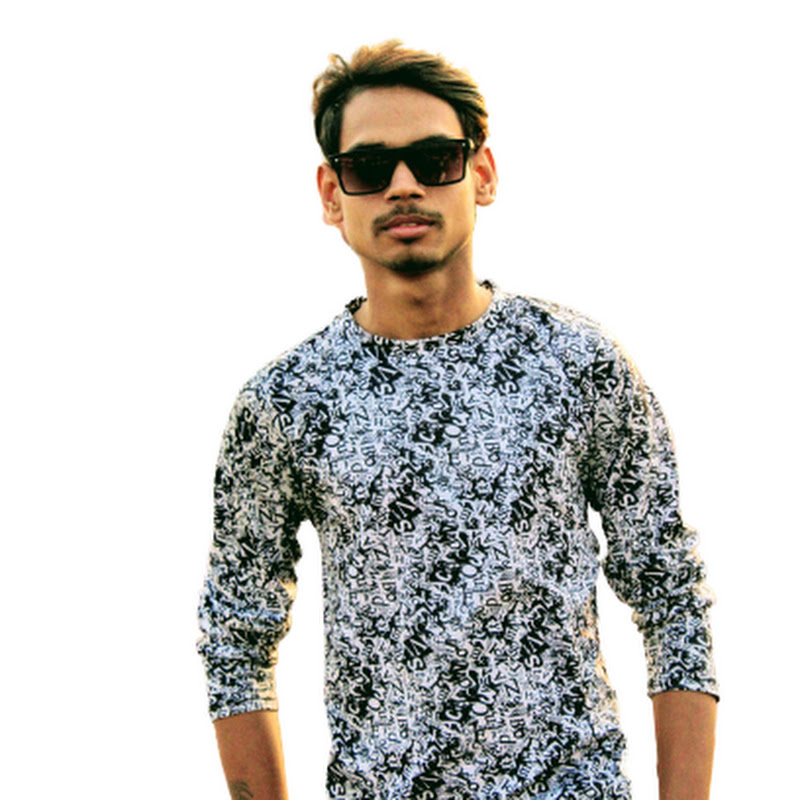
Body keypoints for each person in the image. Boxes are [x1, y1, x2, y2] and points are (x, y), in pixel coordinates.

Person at [197, 41, 718, 800]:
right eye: (370, 168)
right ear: (332, 193)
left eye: (436, 159)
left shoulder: (579, 364)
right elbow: (235, 639)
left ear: (483, 173)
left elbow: (672, 596)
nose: (404, 186)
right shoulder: (285, 403)